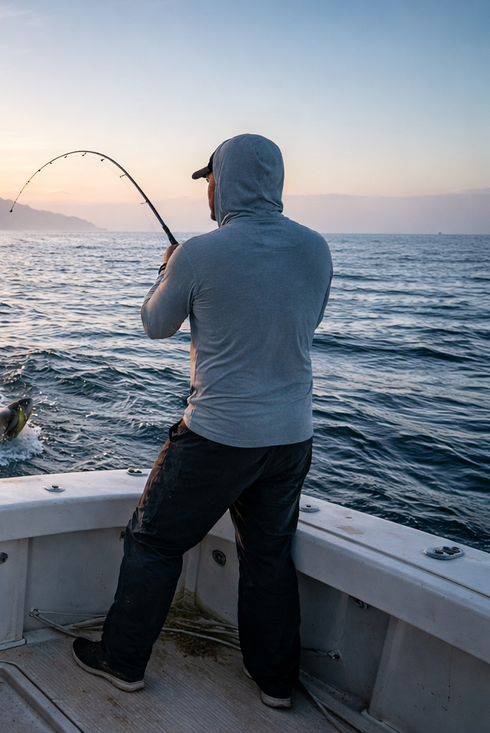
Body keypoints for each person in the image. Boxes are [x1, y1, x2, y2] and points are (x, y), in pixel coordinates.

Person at [71, 135, 333, 708]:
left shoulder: (197, 252)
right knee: (268, 556)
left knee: (153, 540)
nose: (208, 191)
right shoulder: (316, 249)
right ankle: (275, 682)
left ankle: (122, 660)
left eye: (210, 179)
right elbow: (304, 320)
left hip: (218, 435)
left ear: (229, 180)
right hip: (292, 437)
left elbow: (155, 325)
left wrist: (166, 272)